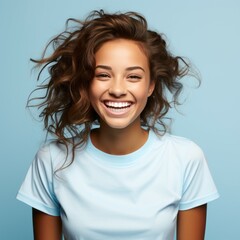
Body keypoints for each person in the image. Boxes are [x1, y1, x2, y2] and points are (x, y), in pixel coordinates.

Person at [17, 10, 219, 240]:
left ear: (151, 86)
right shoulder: (52, 160)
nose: (117, 89)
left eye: (133, 76)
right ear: (86, 83)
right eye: (103, 75)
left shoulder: (185, 158)